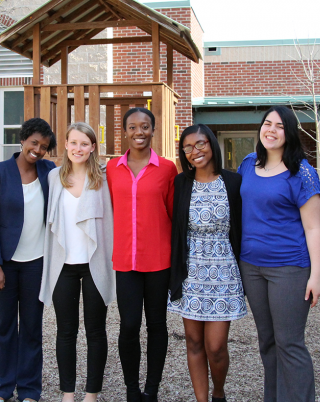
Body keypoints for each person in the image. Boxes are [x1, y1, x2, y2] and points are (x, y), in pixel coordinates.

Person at [237, 105, 320, 402]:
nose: (271, 130)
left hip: (289, 268)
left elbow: (313, 229)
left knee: (289, 343)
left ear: (290, 133)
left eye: (279, 126)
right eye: (267, 124)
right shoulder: (248, 164)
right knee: (268, 342)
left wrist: (316, 276)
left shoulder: (303, 173)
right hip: (251, 267)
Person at [168, 124, 247, 402]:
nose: (194, 152)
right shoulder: (181, 183)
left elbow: (243, 226)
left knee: (216, 346)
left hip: (223, 269)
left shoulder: (233, 182)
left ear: (212, 144)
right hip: (191, 271)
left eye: (200, 144)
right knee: (193, 341)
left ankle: (219, 392)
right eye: (187, 147)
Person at [39, 122, 116, 402]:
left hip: (95, 265)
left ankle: (92, 393)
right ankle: (68, 393)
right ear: (66, 145)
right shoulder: (54, 177)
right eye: (73, 143)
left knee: (96, 331)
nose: (78, 148)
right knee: (66, 331)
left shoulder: (104, 178)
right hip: (63, 267)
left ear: (93, 147)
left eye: (85, 144)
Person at [106, 107, 178, 402]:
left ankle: (151, 389)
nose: (139, 132)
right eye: (133, 127)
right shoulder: (112, 168)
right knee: (129, 324)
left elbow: (174, 214)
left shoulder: (167, 168)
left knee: (157, 325)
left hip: (159, 259)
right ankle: (132, 389)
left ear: (153, 130)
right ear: (124, 132)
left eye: (145, 126)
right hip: (126, 261)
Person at [0, 117, 57, 402]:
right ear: (23, 140)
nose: (37, 150)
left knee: (31, 328)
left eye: (44, 146)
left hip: (37, 263)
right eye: (34, 143)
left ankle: (29, 390)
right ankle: (1, 389)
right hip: (6, 264)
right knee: (3, 327)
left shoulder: (49, 171)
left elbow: (75, 175)